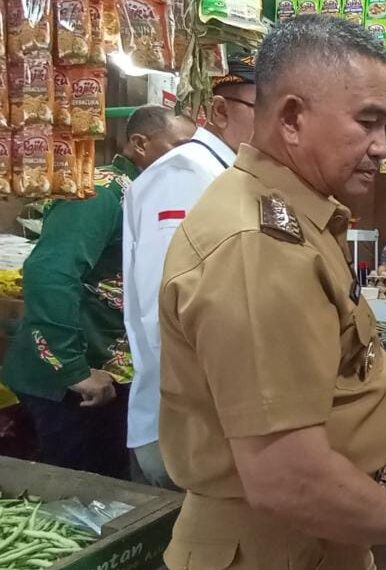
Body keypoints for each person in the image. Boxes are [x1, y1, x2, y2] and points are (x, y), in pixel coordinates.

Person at [157, 15, 386, 570]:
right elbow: (284, 473)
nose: (383, 147)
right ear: (291, 117)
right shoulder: (256, 246)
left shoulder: (297, 219)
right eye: (368, 122)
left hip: (313, 535)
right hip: (273, 546)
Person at [2, 105, 193, 479]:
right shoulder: (102, 193)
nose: (188, 160)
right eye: (179, 148)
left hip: (111, 371)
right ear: (140, 144)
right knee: (85, 495)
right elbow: (49, 272)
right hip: (70, 380)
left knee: (114, 485)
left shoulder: (146, 194)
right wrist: (73, 370)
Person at [123, 55, 257, 490]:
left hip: (216, 418)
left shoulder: (229, 175)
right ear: (220, 111)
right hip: (185, 425)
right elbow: (165, 306)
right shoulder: (184, 176)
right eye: (266, 111)